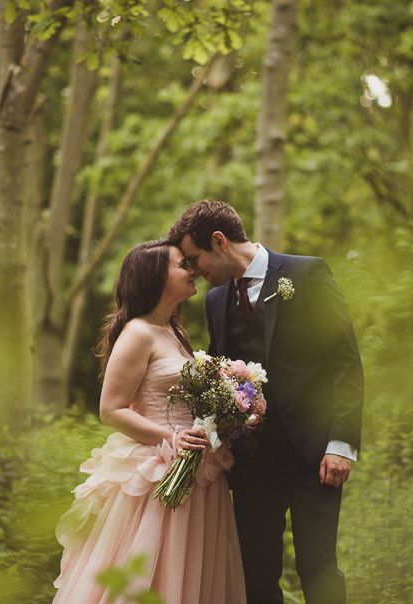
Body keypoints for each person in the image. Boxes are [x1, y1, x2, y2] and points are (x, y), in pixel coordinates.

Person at [168, 200, 364, 604]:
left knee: (317, 569)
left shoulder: (306, 274)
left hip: (314, 456)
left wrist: (340, 445)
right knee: (255, 575)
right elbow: (221, 375)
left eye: (195, 258)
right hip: (251, 463)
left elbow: (344, 363)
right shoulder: (216, 299)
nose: (193, 270)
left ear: (219, 241)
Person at [52, 240, 246, 604]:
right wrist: (171, 437)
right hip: (157, 470)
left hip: (199, 470)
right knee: (149, 572)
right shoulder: (137, 333)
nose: (192, 270)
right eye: (181, 265)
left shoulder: (174, 333)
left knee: (192, 574)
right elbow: (111, 410)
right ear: (155, 277)